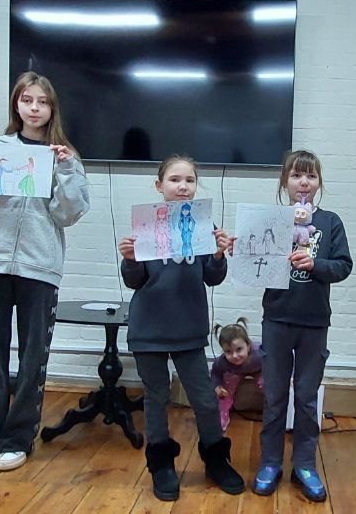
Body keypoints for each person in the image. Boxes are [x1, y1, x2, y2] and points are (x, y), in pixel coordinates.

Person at [0, 71, 89, 472]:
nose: (34, 108)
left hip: (39, 266)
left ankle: (18, 438)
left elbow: (68, 214)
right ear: (16, 104)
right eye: (27, 100)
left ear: (52, 108)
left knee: (32, 359)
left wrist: (65, 170)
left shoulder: (66, 156)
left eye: (42, 102)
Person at [118, 155, 244, 501]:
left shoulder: (204, 224)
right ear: (159, 185)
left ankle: (216, 459)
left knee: (204, 399)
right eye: (175, 179)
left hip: (189, 329)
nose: (183, 186)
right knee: (156, 398)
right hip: (148, 330)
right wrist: (130, 259)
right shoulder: (145, 225)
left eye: (189, 180)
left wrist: (218, 255)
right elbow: (133, 280)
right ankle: (161, 465)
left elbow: (212, 278)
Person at [251, 150, 353, 502]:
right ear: (285, 182)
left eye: (310, 176)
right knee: (274, 396)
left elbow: (343, 266)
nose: (303, 182)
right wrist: (243, 252)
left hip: (314, 322)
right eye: (296, 175)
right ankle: (270, 462)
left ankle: (305, 464)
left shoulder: (330, 222)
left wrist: (315, 264)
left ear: (319, 182)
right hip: (277, 319)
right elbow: (253, 262)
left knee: (307, 399)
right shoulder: (271, 220)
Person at [209, 318, 263, 432]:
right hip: (235, 372)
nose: (234, 356)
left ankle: (271, 412)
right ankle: (223, 413)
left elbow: (277, 362)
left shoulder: (259, 354)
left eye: (239, 349)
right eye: (228, 351)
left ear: (248, 346)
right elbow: (215, 373)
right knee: (224, 390)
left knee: (268, 383)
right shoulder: (222, 362)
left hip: (259, 370)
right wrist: (217, 386)